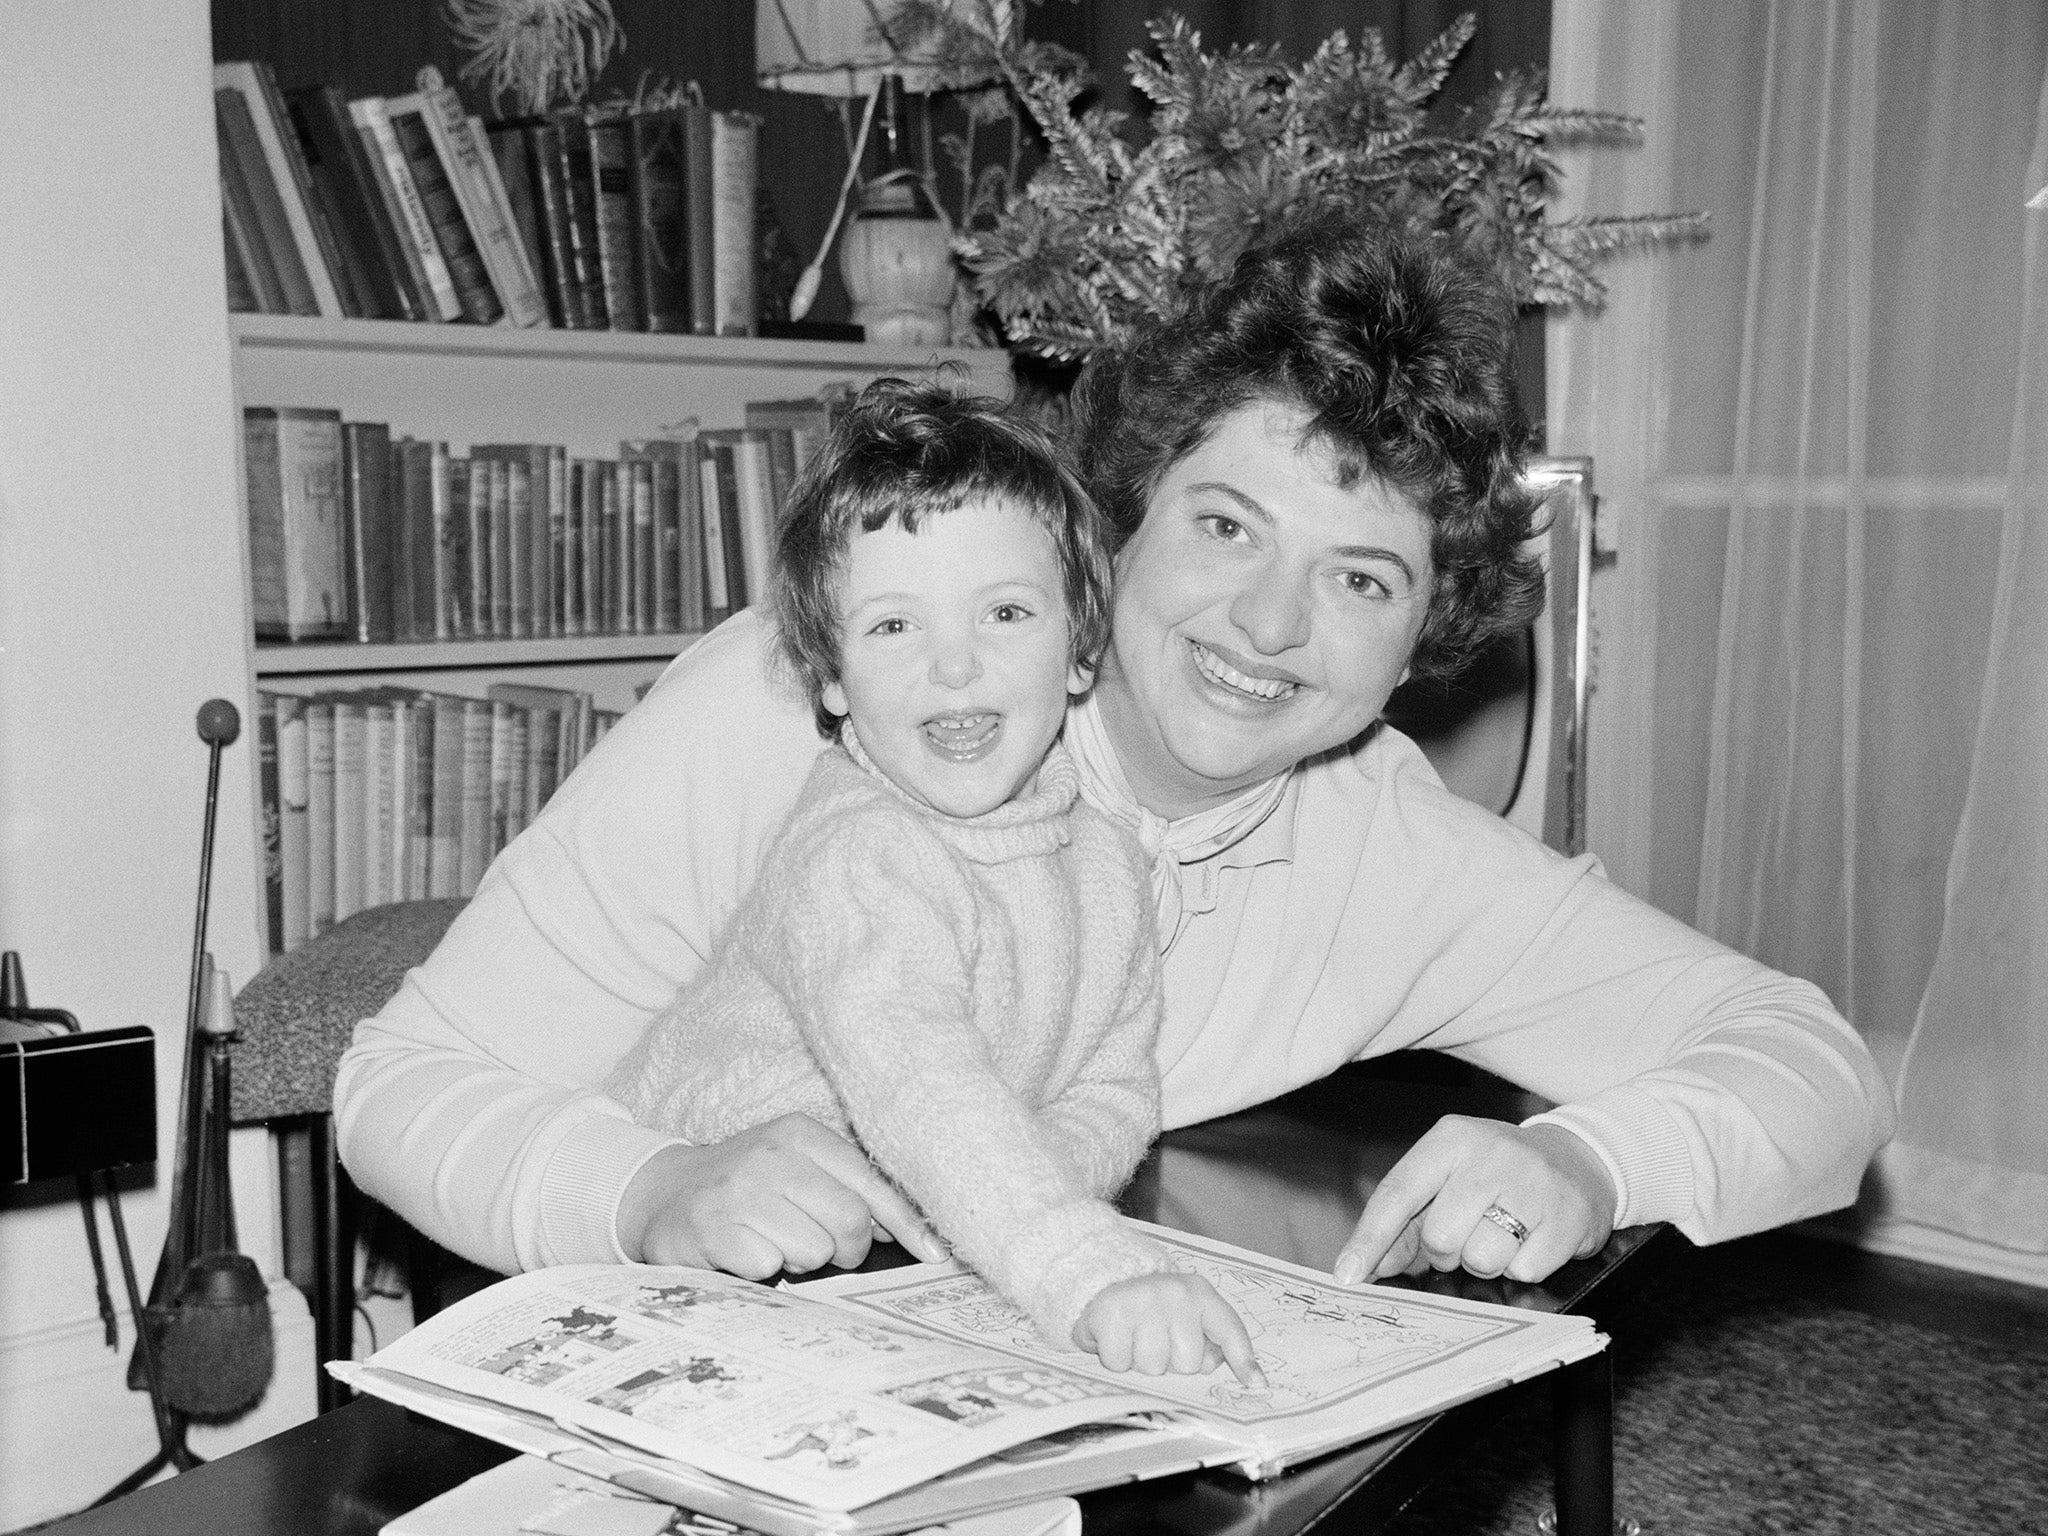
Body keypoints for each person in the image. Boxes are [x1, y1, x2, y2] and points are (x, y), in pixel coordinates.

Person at [334, 213, 1892, 1309]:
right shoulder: (816, 700)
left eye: (1364, 577)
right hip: (641, 1355)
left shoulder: (1400, 862)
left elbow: (1813, 1069)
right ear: (1123, 516)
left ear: (1423, 643)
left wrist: (1590, 1159)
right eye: (1227, 526)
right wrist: (649, 1191)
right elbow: (399, 1085)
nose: (1269, 622)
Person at [604, 381, 1257, 1382]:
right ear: (830, 681)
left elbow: (1113, 1091)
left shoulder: (1106, 864)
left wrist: (1006, 1205)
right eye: (893, 628)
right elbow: (924, 1086)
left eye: (1002, 611)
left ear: (1080, 647)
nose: (953, 668)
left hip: (883, 1277)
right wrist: (1081, 1268)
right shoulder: (857, 856)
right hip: (689, 1281)